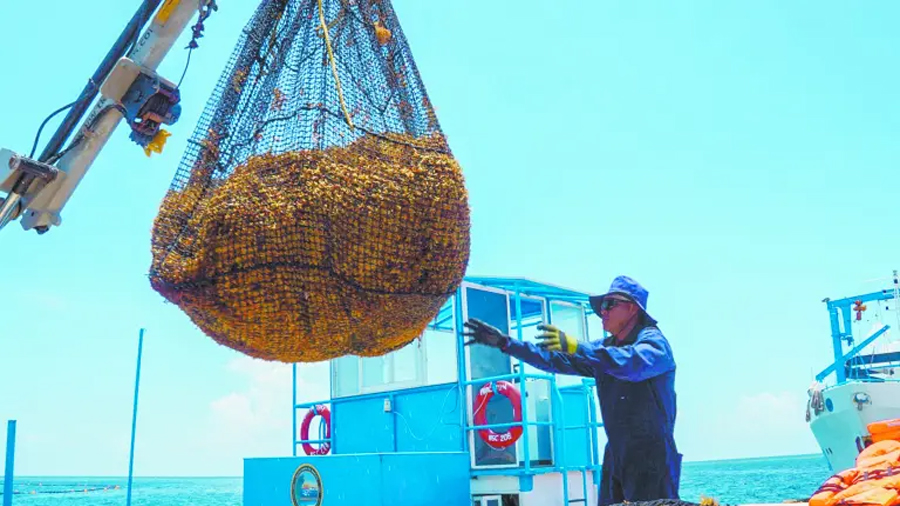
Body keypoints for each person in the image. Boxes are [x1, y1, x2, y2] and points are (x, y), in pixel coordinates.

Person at [463, 275, 681, 506]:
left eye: (608, 305)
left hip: (651, 455)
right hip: (616, 450)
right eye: (600, 307)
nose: (602, 312)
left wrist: (577, 346)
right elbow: (555, 359)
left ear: (631, 308)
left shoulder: (654, 343)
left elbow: (631, 364)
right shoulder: (603, 350)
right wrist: (506, 343)